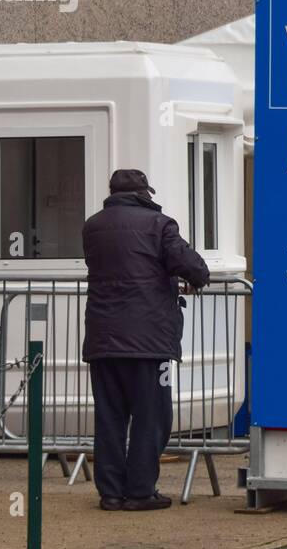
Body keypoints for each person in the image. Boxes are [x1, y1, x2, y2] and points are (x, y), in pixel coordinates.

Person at [82, 169, 210, 511]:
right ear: (144, 194)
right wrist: (190, 279)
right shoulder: (160, 225)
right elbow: (193, 267)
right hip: (149, 341)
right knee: (151, 416)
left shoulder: (92, 226)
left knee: (109, 417)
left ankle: (110, 493)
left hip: (103, 339)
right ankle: (140, 491)